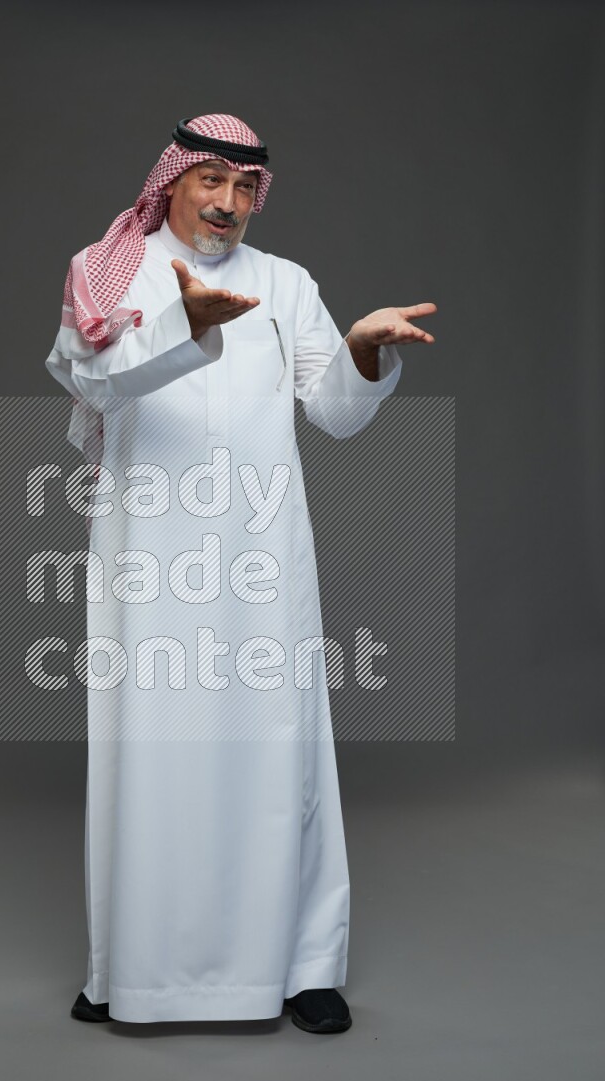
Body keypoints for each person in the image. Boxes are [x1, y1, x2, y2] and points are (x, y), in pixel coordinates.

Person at [45, 113, 436, 1033]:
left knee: (280, 746)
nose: (228, 202)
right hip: (149, 553)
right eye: (211, 180)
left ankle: (304, 966)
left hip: (262, 559)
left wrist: (363, 349)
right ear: (173, 181)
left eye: (245, 186)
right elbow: (90, 381)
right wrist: (184, 325)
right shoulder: (108, 271)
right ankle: (124, 969)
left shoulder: (284, 283)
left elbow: (335, 413)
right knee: (147, 748)